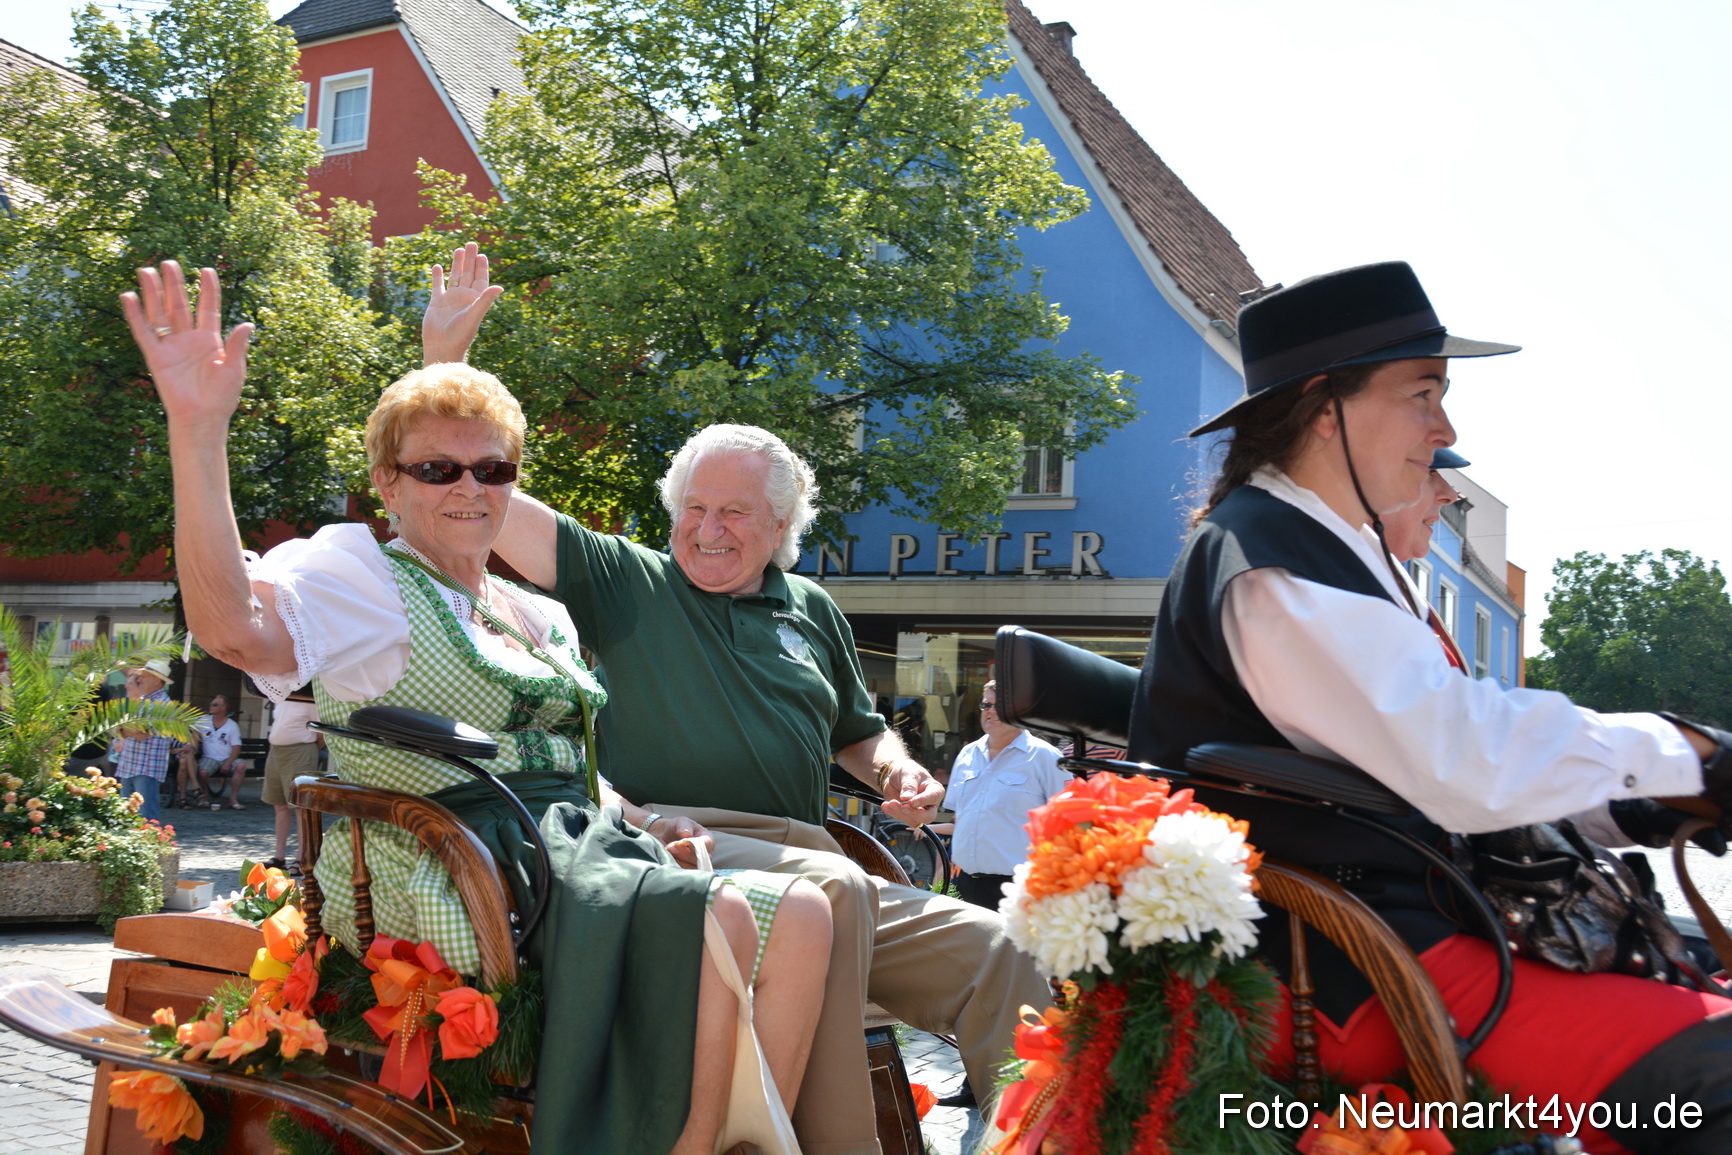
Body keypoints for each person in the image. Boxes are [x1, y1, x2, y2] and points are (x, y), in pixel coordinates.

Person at [121, 258, 830, 1155]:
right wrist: (197, 429)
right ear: (391, 483)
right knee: (721, 914)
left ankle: (748, 1142)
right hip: (462, 863)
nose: (470, 487)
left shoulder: (535, 610)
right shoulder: (364, 577)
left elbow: (560, 760)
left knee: (806, 913)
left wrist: (644, 814)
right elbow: (232, 628)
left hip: (570, 846)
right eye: (437, 468)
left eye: (493, 468)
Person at [422, 243, 1052, 1154]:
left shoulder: (813, 609)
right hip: (682, 853)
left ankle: (1027, 1140)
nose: (707, 531)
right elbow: (486, 496)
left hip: (815, 854)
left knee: (1009, 949)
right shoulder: (625, 579)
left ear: (782, 528)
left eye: (736, 514)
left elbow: (860, 736)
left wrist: (900, 773)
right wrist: (449, 360)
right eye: (694, 509)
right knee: (832, 898)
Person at [1128, 260, 1732, 1154]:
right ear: (1326, 404)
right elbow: (1466, 764)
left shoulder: (1322, 552)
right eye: (1423, 394)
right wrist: (1685, 751)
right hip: (1356, 974)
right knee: (1714, 1073)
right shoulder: (1272, 563)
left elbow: (1455, 758)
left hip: (1417, 935)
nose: (1444, 430)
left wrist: (1639, 796)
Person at [942, 680, 1072, 910]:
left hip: (1018, 890)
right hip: (963, 883)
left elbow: (1068, 824)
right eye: (986, 705)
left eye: (998, 706)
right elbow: (959, 819)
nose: (990, 712)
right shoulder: (967, 755)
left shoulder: (1045, 757)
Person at [260, 685, 320, 870]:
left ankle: (302, 857)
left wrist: (308, 752)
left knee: (301, 808)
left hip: (300, 751)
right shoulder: (281, 695)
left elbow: (320, 733)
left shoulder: (308, 697)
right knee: (279, 805)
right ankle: (279, 857)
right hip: (277, 752)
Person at [113, 658, 175, 822]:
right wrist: (124, 728)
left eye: (144, 677)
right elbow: (123, 728)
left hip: (146, 767)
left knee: (145, 816)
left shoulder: (162, 703)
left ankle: (150, 844)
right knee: (126, 814)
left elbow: (141, 732)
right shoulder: (142, 699)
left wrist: (123, 728)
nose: (140, 679)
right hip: (130, 763)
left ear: (157, 680)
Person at [180, 694, 244, 810]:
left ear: (223, 708)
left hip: (227, 757)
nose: (211, 706)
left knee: (241, 766)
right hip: (209, 757)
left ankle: (233, 799)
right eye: (211, 704)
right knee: (203, 772)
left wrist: (228, 763)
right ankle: (204, 797)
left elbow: (236, 749)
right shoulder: (203, 721)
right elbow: (194, 737)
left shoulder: (232, 725)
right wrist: (191, 746)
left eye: (215, 705)